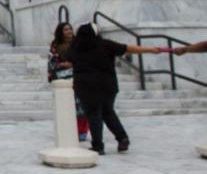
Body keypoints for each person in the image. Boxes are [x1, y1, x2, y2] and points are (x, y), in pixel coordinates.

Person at [65, 23, 160, 154]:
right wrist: (150, 50)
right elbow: (127, 48)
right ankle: (122, 138)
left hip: (86, 86)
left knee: (93, 115)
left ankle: (98, 146)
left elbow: (68, 59)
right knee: (108, 112)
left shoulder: (76, 48)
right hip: (108, 85)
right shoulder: (106, 44)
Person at [48, 22, 89, 141]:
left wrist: (73, 64)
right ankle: (68, 129)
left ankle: (82, 131)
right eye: (66, 29)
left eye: (70, 28)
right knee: (67, 106)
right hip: (64, 80)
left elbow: (86, 58)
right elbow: (52, 62)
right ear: (61, 32)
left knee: (81, 106)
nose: (69, 31)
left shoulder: (79, 43)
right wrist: (63, 64)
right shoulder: (55, 45)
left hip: (80, 77)